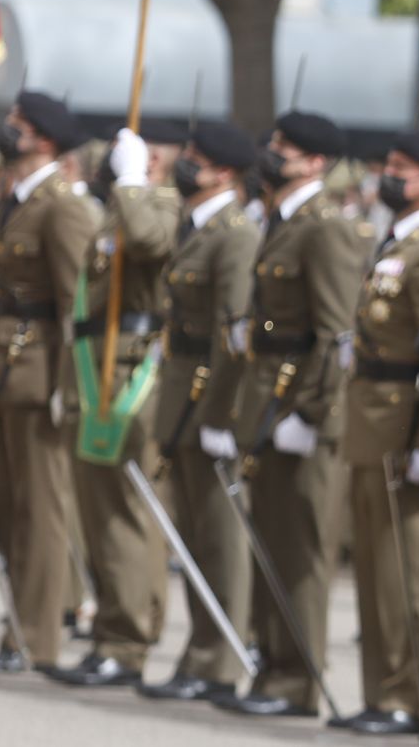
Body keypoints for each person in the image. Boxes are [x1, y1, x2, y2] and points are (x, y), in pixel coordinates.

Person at [214, 111, 363, 718]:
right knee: (270, 539)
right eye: (273, 143)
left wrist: (314, 411)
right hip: (266, 399)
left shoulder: (324, 226)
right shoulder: (281, 218)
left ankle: (297, 682)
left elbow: (335, 332)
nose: (273, 154)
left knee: (300, 551)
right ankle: (270, 667)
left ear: (315, 164)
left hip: (300, 405)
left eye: (287, 148)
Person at [339, 131, 419, 736]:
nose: (387, 177)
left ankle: (411, 697)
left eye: (401, 169)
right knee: (376, 565)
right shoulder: (402, 238)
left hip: (409, 427)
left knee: (411, 569)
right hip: (373, 420)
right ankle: (381, 691)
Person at [48, 122, 183, 687]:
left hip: (132, 378)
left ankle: (129, 640)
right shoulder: (117, 209)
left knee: (127, 515)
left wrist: (133, 182)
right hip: (92, 370)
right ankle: (109, 630)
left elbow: (152, 244)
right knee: (98, 513)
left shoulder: (161, 204)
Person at [140, 121, 260, 702]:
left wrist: (219, 415)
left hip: (209, 399)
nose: (186, 165)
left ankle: (218, 660)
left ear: (226, 173)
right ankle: (200, 650)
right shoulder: (196, 226)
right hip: (181, 392)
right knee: (192, 532)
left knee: (219, 537)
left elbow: (235, 335)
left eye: (198, 159)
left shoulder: (234, 234)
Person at [0, 93, 97, 673]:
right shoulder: (15, 201)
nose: (9, 132)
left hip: (38, 374)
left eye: (20, 128)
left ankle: (37, 637)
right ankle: (19, 628)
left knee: (41, 512)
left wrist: (70, 387)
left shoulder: (61, 207)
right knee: (8, 509)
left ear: (47, 142)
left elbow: (77, 305)